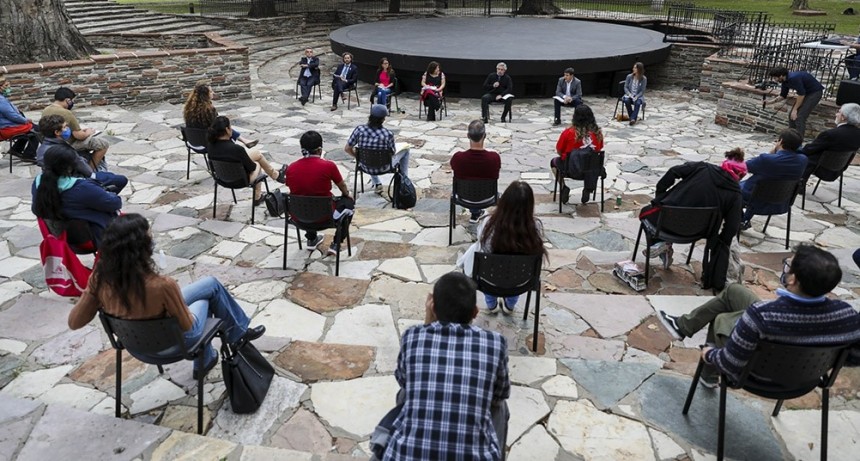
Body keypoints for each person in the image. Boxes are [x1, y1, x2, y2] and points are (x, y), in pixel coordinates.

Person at [67, 213, 266, 378]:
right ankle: (231, 339)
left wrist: (92, 294)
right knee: (206, 297)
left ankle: (225, 344)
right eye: (149, 236)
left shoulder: (99, 279)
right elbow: (187, 325)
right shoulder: (162, 286)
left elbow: (74, 322)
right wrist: (176, 303)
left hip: (134, 344)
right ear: (142, 248)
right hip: (173, 344)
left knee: (210, 284)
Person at [659, 244, 860, 388]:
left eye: (789, 266)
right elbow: (854, 357)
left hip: (756, 377)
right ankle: (682, 326)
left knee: (722, 319)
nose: (785, 268)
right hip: (805, 379)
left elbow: (730, 363)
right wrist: (816, 357)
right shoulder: (848, 316)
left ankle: (708, 374)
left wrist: (709, 354)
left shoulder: (761, 315)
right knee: (734, 291)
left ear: (793, 280)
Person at [374, 272, 510, 460]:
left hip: (406, 456)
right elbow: (501, 393)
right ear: (475, 312)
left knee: (406, 392)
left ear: (433, 308)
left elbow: (403, 380)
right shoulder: (495, 343)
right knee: (500, 407)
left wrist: (427, 323)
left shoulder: (413, 336)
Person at [639, 160, 742, 290]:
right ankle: (665, 246)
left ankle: (662, 243)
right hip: (698, 232)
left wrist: (661, 193)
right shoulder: (736, 194)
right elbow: (732, 227)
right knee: (668, 217)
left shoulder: (702, 167)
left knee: (645, 213)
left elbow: (674, 171)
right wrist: (719, 242)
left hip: (666, 223)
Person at [460, 181, 546, 314]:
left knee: (488, 263)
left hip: (489, 279)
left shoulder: (489, 223)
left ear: (504, 201)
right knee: (517, 267)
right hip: (521, 281)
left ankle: (491, 304)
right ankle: (510, 304)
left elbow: (484, 247)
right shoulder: (535, 227)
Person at [31, 146, 122, 247]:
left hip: (59, 238)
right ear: (70, 167)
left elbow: (36, 209)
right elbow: (115, 203)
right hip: (91, 239)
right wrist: (110, 194)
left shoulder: (38, 184)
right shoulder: (82, 187)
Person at [285, 130, 354, 256]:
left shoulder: (291, 167)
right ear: (319, 150)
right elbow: (342, 186)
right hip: (325, 217)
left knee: (305, 197)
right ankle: (336, 243)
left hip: (299, 217)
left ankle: (311, 238)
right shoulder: (328, 166)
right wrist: (346, 194)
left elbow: (294, 188)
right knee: (349, 203)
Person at [36, 115, 128, 193]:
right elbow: (82, 167)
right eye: (64, 127)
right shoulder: (63, 150)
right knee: (120, 179)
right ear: (57, 132)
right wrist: (93, 176)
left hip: (64, 179)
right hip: (74, 180)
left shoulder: (43, 148)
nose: (67, 129)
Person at [207, 116, 283, 205]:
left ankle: (275, 175)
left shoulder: (210, 146)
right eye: (231, 127)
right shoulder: (237, 149)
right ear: (227, 129)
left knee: (257, 154)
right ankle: (258, 196)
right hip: (241, 180)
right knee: (258, 162)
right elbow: (252, 167)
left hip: (222, 179)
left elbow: (213, 167)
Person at [739, 129, 807, 229]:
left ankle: (739, 219)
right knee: (762, 183)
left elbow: (744, 166)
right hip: (782, 200)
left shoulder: (766, 159)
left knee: (731, 187)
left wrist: (771, 153)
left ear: (780, 141)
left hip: (755, 198)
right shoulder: (803, 160)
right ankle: (745, 219)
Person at [344, 104, 411, 194]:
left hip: (365, 165)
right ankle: (405, 182)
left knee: (370, 155)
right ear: (383, 119)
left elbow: (347, 148)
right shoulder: (387, 134)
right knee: (406, 150)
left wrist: (357, 157)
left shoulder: (359, 130)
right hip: (384, 167)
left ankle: (377, 183)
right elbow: (392, 152)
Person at [42, 87, 111, 171]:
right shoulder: (66, 113)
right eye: (72, 100)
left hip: (52, 141)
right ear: (68, 100)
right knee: (103, 144)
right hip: (67, 143)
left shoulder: (46, 110)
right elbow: (79, 136)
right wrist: (88, 132)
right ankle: (90, 169)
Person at [552, 104, 604, 204]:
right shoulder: (597, 133)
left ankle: (563, 187)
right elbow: (599, 148)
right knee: (592, 160)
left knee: (554, 162)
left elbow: (559, 150)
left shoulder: (568, 132)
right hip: (592, 171)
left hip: (571, 170)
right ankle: (588, 188)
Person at [450, 120, 501, 223]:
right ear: (484, 136)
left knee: (472, 184)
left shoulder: (458, 158)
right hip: (488, 197)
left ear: (468, 136)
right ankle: (476, 213)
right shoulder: (494, 158)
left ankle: (475, 213)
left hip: (463, 197)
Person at [183, 82, 258, 148]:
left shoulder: (189, 108)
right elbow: (216, 127)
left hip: (193, 142)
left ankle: (244, 140)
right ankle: (243, 142)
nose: (213, 93)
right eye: (211, 91)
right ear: (205, 95)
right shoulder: (208, 109)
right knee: (224, 127)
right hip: (207, 142)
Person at [799, 102, 860, 179]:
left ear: (843, 117)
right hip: (838, 170)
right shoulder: (858, 135)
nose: (836, 114)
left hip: (819, 168)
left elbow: (808, 150)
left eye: (839, 112)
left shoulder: (831, 134)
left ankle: (796, 184)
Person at [766, 67, 824, 141]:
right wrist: (769, 102)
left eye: (775, 78)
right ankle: (790, 138)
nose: (774, 80)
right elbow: (783, 95)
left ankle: (798, 141)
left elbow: (801, 95)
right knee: (791, 116)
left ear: (781, 76)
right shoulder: (785, 81)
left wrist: (795, 109)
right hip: (805, 93)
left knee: (800, 117)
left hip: (815, 93)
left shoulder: (793, 78)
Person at [0, 76, 39, 160]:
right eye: (6, 86)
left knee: (30, 130)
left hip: (6, 126)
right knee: (37, 131)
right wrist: (25, 120)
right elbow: (13, 116)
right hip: (7, 128)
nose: (8, 88)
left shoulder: (2, 98)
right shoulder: (1, 100)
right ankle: (29, 155)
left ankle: (16, 149)